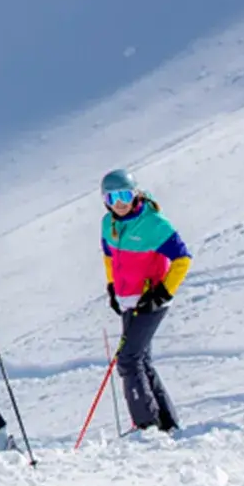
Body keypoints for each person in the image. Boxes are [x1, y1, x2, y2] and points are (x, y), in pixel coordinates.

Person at [100, 168, 191, 432]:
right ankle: (167, 424)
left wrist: (161, 292)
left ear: (136, 194)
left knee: (128, 360)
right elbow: (108, 255)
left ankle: (147, 425)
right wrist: (112, 287)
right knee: (140, 360)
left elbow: (182, 259)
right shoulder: (109, 223)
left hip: (150, 301)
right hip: (128, 300)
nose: (119, 203)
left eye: (125, 195)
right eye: (112, 197)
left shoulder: (154, 224)